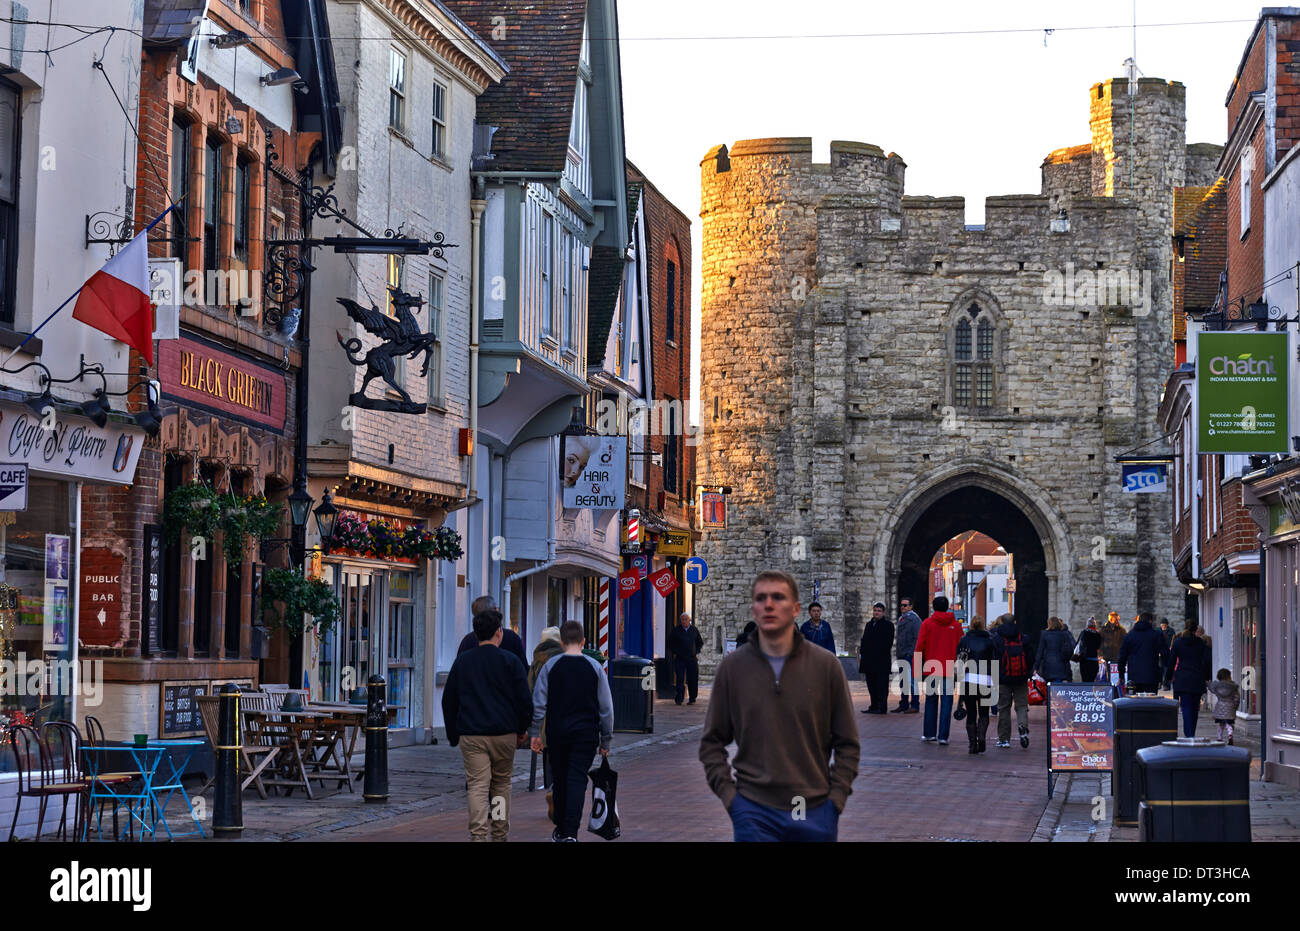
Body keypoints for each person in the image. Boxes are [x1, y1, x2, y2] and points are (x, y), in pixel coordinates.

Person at [699, 569, 860, 842]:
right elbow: (711, 742)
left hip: (814, 809)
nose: (769, 605)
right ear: (753, 608)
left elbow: (847, 742)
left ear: (796, 609)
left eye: (778, 597)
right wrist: (732, 800)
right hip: (755, 810)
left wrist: (835, 800)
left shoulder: (825, 666)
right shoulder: (734, 668)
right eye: (761, 598)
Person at [441, 609, 533, 842]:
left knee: (478, 787)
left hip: (472, 734)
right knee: (501, 785)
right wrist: (522, 729)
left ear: (476, 633)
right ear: (499, 633)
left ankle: (478, 835)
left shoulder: (463, 662)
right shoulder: (510, 661)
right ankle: (499, 835)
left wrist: (453, 734)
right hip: (504, 733)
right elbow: (524, 699)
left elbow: (449, 700)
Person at [529, 620, 614, 842]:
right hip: (586, 734)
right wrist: (606, 740)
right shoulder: (595, 668)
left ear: (562, 642)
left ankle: (561, 826)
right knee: (577, 780)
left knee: (560, 779)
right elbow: (606, 708)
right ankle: (570, 832)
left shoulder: (551, 666)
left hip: (558, 734)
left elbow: (538, 703)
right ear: (583, 642)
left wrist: (535, 733)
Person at [916, 596, 962, 745]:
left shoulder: (927, 623)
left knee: (930, 701)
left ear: (934, 607)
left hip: (931, 668)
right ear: (947, 606)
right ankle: (943, 735)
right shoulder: (955, 625)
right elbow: (962, 648)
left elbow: (919, 646)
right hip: (949, 668)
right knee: (947, 702)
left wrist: (917, 669)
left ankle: (929, 733)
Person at [529, 626, 564, 816]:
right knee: (562, 756)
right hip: (562, 716)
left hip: (542, 718)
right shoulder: (563, 660)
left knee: (548, 755)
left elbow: (530, 690)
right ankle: (558, 791)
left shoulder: (537, 661)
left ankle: (550, 786)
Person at [1165, 619, 1212, 738]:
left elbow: (1171, 662)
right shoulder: (1201, 643)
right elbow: (1207, 662)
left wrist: (1168, 677)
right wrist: (1207, 677)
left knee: (1186, 707)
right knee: (1194, 708)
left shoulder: (1178, 642)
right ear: (1196, 629)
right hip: (1197, 677)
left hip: (1183, 677)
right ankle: (1191, 733)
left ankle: (1189, 733)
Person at [991, 613, 1032, 749]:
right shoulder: (1023, 638)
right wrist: (1027, 673)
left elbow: (994, 659)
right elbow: (1030, 658)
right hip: (1020, 678)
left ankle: (1004, 739)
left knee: (1003, 708)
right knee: (1021, 706)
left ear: (1001, 622)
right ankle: (1022, 727)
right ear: (1015, 622)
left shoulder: (997, 638)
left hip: (1003, 678)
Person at [956, 615, 996, 754]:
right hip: (986, 679)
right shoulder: (990, 641)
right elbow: (995, 659)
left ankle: (972, 744)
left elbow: (959, 660)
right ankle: (982, 737)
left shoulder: (965, 640)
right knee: (984, 712)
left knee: (971, 713)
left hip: (969, 679)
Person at [458, 595, 527, 668]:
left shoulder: (467, 641)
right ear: (495, 611)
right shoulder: (511, 638)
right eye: (497, 608)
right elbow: (523, 671)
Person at [1118, 611, 1169, 694]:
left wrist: (1121, 675)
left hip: (1134, 676)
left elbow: (1122, 657)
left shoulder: (1129, 636)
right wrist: (1165, 675)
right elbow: (1165, 655)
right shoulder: (1156, 635)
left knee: (1135, 703)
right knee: (1151, 703)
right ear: (1150, 621)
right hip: (1151, 675)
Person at [858, 602, 894, 714]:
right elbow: (864, 640)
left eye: (879, 611)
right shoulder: (869, 625)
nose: (876, 613)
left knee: (881, 685)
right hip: (869, 661)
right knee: (871, 684)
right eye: (875, 610)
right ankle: (873, 705)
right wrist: (863, 652)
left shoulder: (888, 625)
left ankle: (882, 707)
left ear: (883, 612)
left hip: (881, 661)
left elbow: (888, 643)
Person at [893, 597, 922, 713]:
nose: (902, 607)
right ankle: (904, 703)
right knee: (903, 681)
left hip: (909, 655)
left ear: (910, 606)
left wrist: (910, 653)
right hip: (902, 654)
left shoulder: (914, 619)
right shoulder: (901, 619)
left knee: (912, 681)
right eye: (901, 605)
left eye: (905, 605)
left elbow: (917, 637)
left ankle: (914, 705)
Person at [668, 612, 704, 704]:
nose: (684, 621)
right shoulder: (676, 630)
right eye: (682, 620)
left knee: (692, 678)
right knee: (680, 678)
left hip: (691, 658)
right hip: (680, 658)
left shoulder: (694, 630)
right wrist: (676, 651)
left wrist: (696, 651)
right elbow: (671, 643)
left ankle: (692, 698)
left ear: (689, 620)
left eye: (686, 619)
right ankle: (679, 698)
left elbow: (700, 642)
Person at [1035, 617, 1076, 684]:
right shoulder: (1064, 634)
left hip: (1048, 665)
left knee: (1048, 688)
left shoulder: (1044, 634)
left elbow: (1040, 652)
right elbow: (1069, 650)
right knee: (1058, 688)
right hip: (1061, 665)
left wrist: (1036, 667)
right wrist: (1065, 660)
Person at [1208, 668, 1240, 745]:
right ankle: (1230, 735)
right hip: (1230, 707)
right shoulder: (1233, 687)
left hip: (1220, 707)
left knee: (1221, 724)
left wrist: (1208, 683)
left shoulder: (1217, 687)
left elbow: (1211, 688)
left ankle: (1219, 738)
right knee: (1229, 724)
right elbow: (1236, 698)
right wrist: (1235, 707)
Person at [1072, 617, 1102, 684]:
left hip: (1085, 660)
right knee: (1092, 681)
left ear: (1087, 625)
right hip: (1094, 660)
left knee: (1085, 681)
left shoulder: (1084, 633)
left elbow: (1079, 644)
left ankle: (1086, 693)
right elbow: (1099, 647)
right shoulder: (1098, 635)